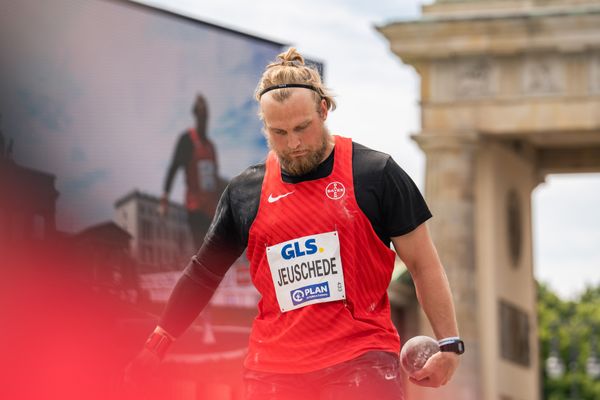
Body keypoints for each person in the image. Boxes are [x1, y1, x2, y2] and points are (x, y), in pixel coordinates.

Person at [126, 48, 463, 400]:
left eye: (302, 128)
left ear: (323, 110)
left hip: (361, 361)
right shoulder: (245, 192)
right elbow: (203, 273)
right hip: (272, 371)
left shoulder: (376, 174)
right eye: (279, 133)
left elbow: (423, 264)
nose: (294, 143)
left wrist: (450, 344)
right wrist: (156, 345)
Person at [160, 94, 220, 249]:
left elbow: (215, 179)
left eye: (205, 115)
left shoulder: (211, 146)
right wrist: (165, 198)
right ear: (196, 116)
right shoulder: (186, 140)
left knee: (215, 251)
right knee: (201, 250)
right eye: (200, 115)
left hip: (211, 208)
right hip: (195, 207)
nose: (203, 119)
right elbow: (173, 167)